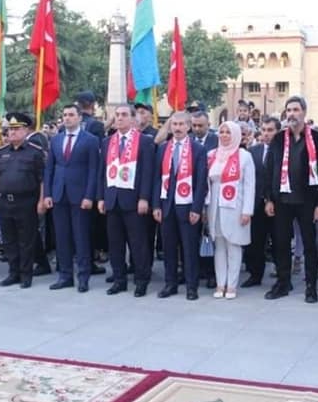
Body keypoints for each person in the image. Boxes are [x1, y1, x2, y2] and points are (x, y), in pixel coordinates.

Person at [264, 96, 318, 303]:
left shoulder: (317, 138)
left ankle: (311, 286)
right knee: (281, 243)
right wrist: (268, 199)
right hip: (282, 201)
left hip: (307, 201)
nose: (292, 114)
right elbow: (269, 169)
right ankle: (283, 283)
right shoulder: (278, 139)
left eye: (295, 109)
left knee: (310, 245)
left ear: (304, 112)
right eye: (289, 110)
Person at [98, 104, 155, 296]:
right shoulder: (108, 142)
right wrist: (101, 197)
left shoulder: (144, 141)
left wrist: (144, 198)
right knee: (115, 244)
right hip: (112, 199)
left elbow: (148, 172)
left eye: (124, 115)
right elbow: (102, 172)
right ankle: (119, 280)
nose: (119, 118)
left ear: (132, 119)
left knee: (138, 244)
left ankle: (141, 280)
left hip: (134, 200)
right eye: (117, 115)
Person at [152, 111, 207, 301]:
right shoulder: (163, 149)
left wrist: (197, 208)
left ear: (188, 127)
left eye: (181, 124)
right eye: (174, 124)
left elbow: (201, 182)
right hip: (166, 206)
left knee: (189, 249)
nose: (177, 128)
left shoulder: (197, 149)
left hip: (188, 206)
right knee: (168, 248)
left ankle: (192, 286)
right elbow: (157, 179)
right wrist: (156, 205)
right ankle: (170, 284)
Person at [44, 104, 99, 292]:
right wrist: (48, 194)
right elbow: (49, 168)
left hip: (80, 196)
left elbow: (94, 170)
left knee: (81, 237)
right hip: (59, 194)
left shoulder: (90, 140)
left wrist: (89, 195)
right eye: (65, 115)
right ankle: (65, 276)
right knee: (62, 237)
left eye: (71, 115)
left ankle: (83, 277)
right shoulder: (56, 140)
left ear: (79, 118)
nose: (67, 118)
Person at [0, 113, 45, 288]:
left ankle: (26, 274)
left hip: (27, 202)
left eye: (17, 129)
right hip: (6, 202)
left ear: (26, 130)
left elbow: (42, 180)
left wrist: (41, 201)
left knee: (26, 240)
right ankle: (13, 273)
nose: (12, 132)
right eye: (10, 129)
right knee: (9, 241)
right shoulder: (1, 153)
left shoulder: (35, 152)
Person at [205, 121, 254, 299]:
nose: (224, 135)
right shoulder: (212, 155)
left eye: (228, 132)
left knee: (233, 244)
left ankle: (232, 285)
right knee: (219, 245)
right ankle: (220, 283)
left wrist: (247, 210)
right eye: (222, 132)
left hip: (235, 206)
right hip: (214, 206)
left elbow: (249, 185)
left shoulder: (244, 156)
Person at [243, 117, 279, 287]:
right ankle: (255, 275)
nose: (266, 134)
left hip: (277, 204)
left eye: (270, 130)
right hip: (256, 203)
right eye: (263, 130)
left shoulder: (283, 151)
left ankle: (282, 275)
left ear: (277, 132)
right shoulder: (252, 151)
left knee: (279, 241)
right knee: (255, 241)